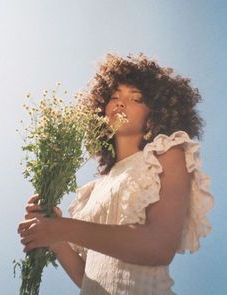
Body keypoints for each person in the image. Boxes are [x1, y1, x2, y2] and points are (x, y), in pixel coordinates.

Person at [18, 53, 214, 295]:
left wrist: (62, 228)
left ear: (156, 113)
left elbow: (159, 247)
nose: (121, 102)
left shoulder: (166, 154)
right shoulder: (93, 190)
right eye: (114, 96)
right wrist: (52, 233)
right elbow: (86, 277)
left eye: (136, 98)